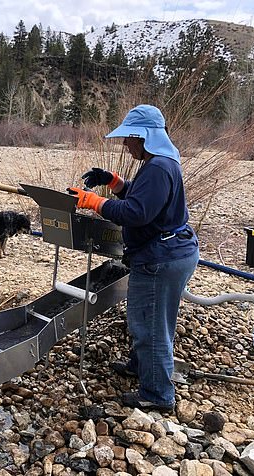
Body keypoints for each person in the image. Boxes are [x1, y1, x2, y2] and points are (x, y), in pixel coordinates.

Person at [68, 104, 199, 413]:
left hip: (161, 258)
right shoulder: (160, 162)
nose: (125, 144)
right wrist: (114, 182)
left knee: (149, 325)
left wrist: (95, 202)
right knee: (152, 318)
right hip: (171, 252)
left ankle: (157, 394)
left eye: (129, 138)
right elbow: (142, 197)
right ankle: (142, 367)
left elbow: (137, 213)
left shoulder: (158, 167)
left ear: (144, 137)